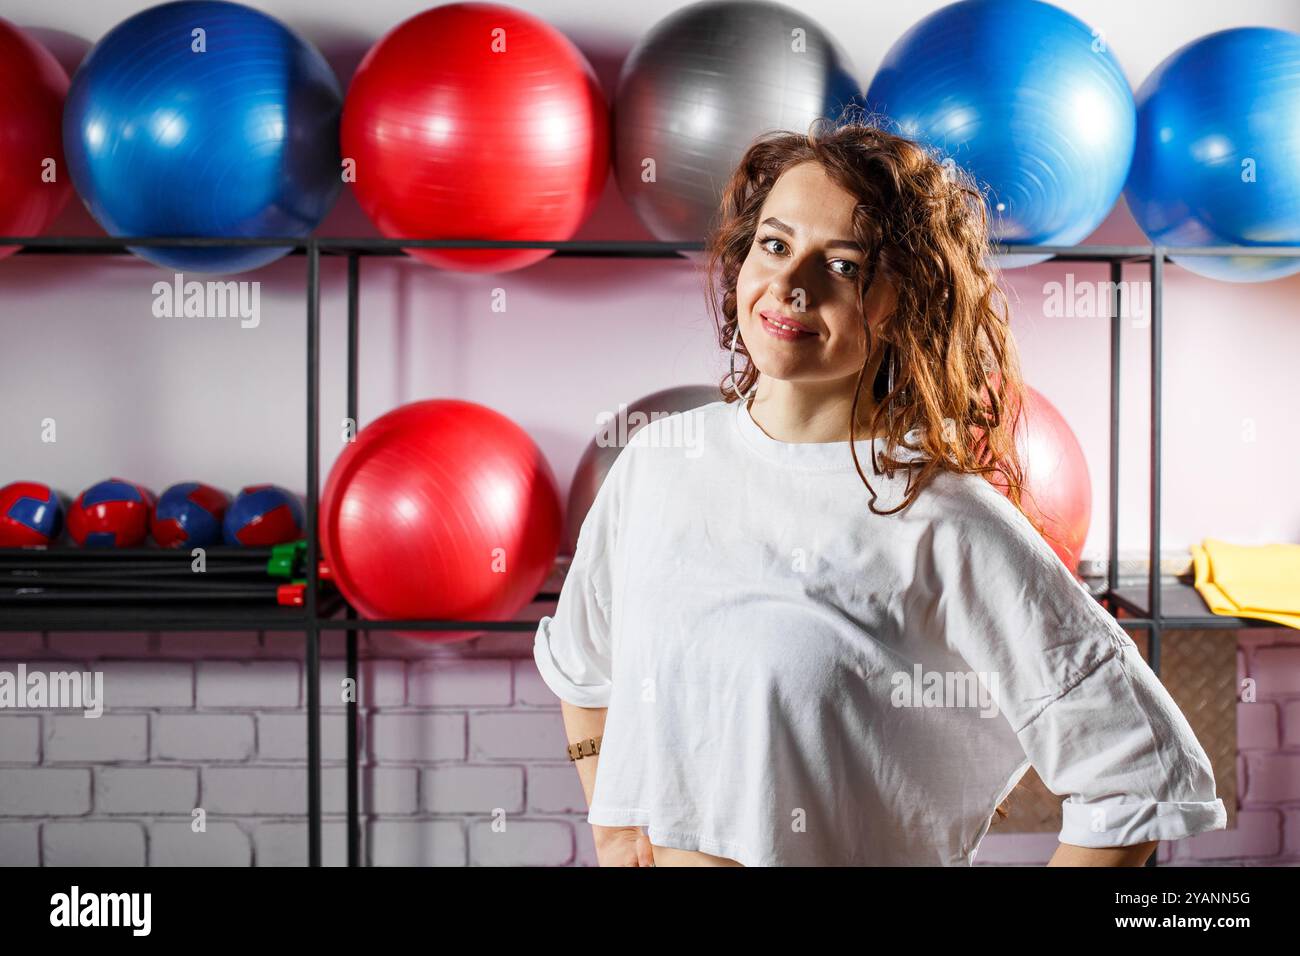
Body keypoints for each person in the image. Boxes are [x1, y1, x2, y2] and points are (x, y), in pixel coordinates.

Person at [533, 113, 1227, 867]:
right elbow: (582, 661)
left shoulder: (943, 521)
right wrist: (614, 826)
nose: (790, 286)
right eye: (774, 243)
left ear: (903, 299)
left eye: (842, 265)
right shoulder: (659, 462)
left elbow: (1139, 774)